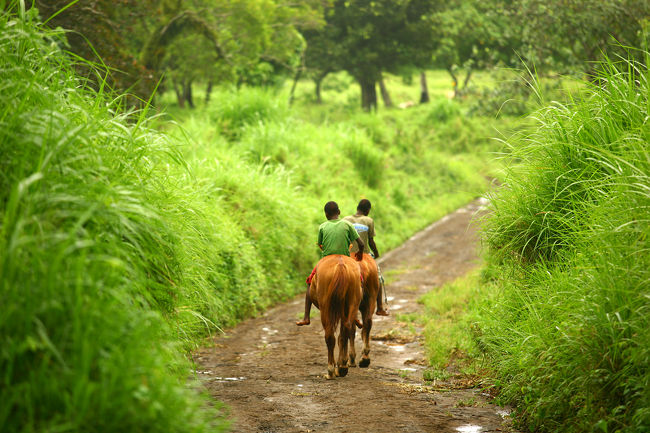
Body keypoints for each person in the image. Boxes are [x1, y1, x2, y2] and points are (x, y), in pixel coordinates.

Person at [296, 201, 364, 326]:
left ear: (326, 215)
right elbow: (361, 244)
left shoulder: (322, 226)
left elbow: (321, 245)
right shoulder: (348, 224)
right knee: (360, 281)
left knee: (310, 282)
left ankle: (306, 316)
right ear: (339, 212)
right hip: (346, 257)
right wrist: (359, 253)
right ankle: (354, 314)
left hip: (326, 258)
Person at [344, 199, 389, 316]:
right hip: (363, 255)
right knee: (378, 277)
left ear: (357, 208)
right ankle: (379, 307)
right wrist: (376, 252)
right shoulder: (369, 220)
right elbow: (371, 241)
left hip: (348, 255)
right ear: (368, 210)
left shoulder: (346, 220)